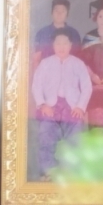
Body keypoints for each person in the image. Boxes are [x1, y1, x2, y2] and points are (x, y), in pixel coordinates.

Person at [30, 28, 92, 177]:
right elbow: (36, 86)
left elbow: (87, 87)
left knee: (76, 137)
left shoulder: (78, 64)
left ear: (70, 45)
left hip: (72, 108)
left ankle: (70, 171)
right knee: (45, 135)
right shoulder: (45, 63)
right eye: (58, 43)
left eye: (65, 43)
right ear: (53, 45)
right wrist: (43, 104)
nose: (62, 47)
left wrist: (80, 107)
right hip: (50, 107)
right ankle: (48, 170)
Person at [32, 0, 81, 69]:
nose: (59, 13)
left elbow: (79, 60)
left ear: (67, 14)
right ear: (51, 13)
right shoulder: (42, 33)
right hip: (47, 75)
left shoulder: (74, 34)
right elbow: (36, 60)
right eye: (56, 10)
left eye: (63, 11)